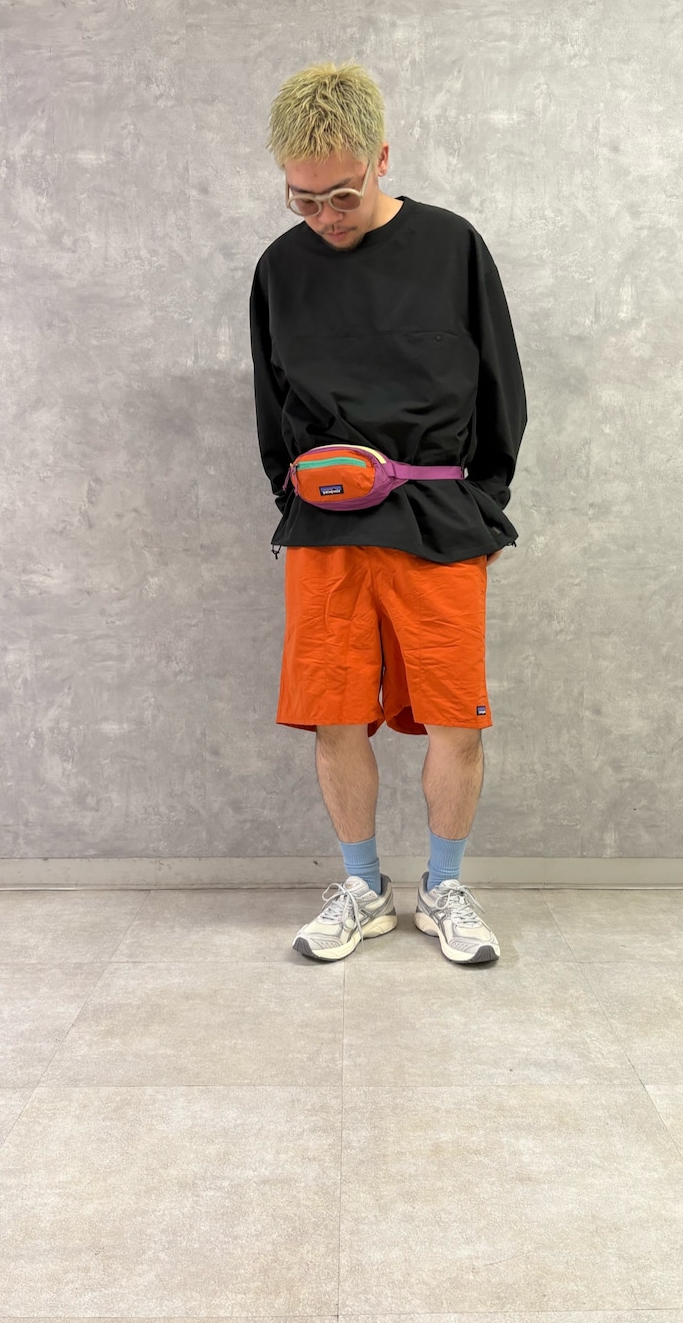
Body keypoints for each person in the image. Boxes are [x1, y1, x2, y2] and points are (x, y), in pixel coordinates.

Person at [249, 61, 527, 965]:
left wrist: (483, 506)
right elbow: (271, 408)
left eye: (342, 194)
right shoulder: (279, 268)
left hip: (439, 523)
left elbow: (502, 389)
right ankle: (363, 888)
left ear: (381, 157)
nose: (324, 216)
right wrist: (295, 499)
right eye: (303, 199)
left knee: (457, 720)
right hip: (326, 530)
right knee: (334, 717)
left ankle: (444, 887)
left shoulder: (452, 247)